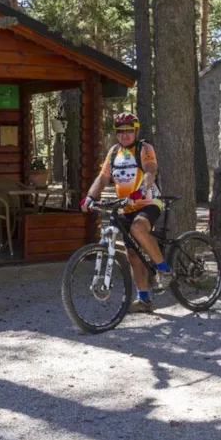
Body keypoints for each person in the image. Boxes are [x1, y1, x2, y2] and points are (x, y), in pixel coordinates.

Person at [80, 112, 170, 314]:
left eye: (129, 131)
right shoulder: (113, 153)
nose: (125, 135)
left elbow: (150, 171)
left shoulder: (144, 148)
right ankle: (144, 300)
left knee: (138, 228)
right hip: (125, 206)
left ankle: (164, 269)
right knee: (132, 254)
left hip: (148, 201)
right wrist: (90, 197)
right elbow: (103, 178)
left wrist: (141, 190)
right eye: (121, 132)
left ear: (136, 131)